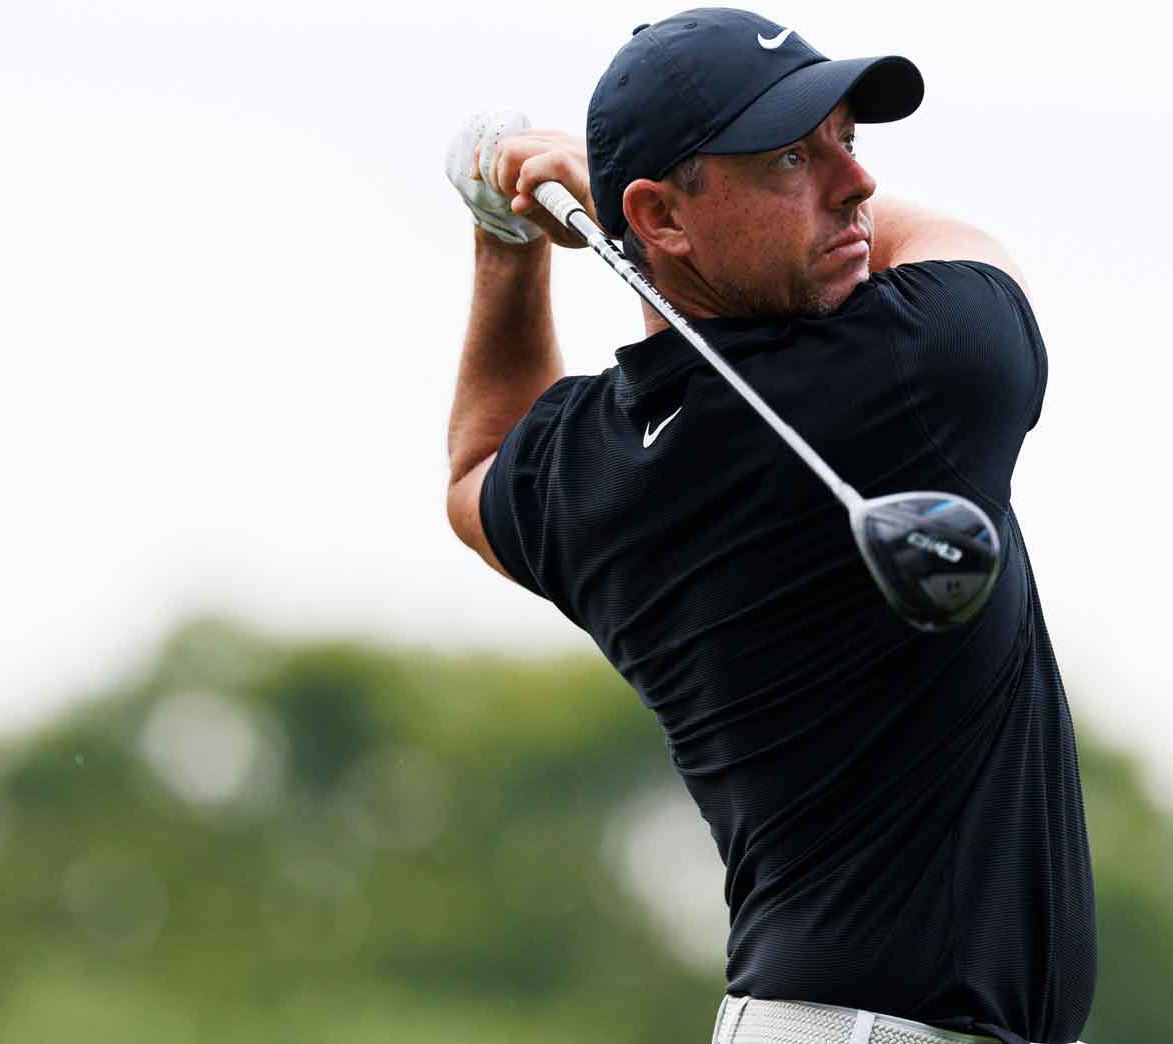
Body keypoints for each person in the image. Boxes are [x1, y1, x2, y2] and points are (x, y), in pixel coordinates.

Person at [441, 9, 1095, 1044]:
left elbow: (478, 464)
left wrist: (505, 237)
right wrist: (591, 192)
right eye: (792, 156)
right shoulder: (912, 377)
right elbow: (959, 248)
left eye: (848, 139)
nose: (856, 184)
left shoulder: (595, 463)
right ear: (659, 219)